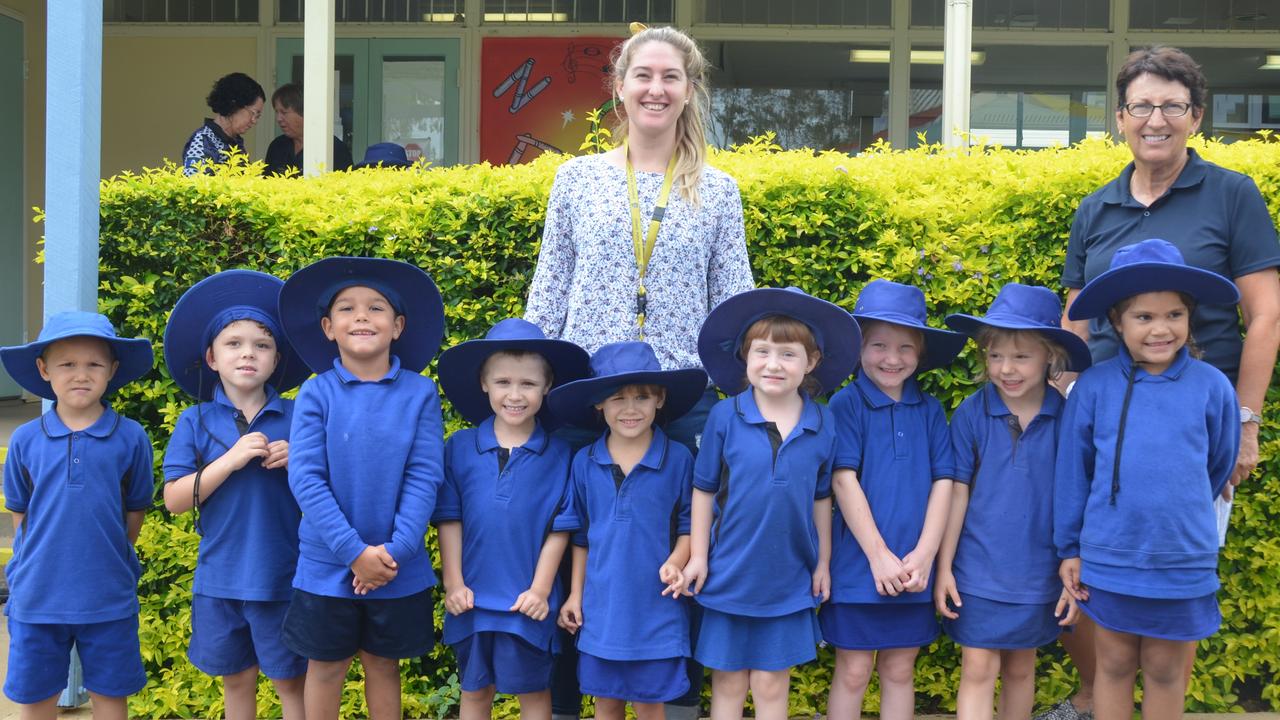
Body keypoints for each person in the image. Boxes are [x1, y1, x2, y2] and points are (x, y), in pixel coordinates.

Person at [526, 26, 752, 716]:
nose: (657, 89)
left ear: (689, 91)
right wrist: (529, 388)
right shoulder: (577, 180)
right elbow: (549, 288)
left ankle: (673, 704)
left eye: (671, 78)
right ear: (620, 88)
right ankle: (577, 701)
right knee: (580, 557)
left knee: (677, 561)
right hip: (588, 398)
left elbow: (735, 304)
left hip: (682, 404)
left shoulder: (717, 190)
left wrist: (741, 403)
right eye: (644, 76)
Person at [1052, 45, 1280, 720]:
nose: (1157, 118)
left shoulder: (1231, 195)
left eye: (1173, 106)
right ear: (1120, 118)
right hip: (1103, 418)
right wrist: (1072, 395)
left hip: (1195, 422)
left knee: (1173, 600)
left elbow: (1265, 315)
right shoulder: (1096, 208)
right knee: (1091, 580)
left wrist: (1245, 420)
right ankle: (1097, 695)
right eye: (1143, 105)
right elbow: (1074, 315)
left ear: (1196, 116)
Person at [1055, 238, 1240, 720]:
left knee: (1164, 669)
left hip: (1182, 557)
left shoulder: (1212, 386)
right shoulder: (1093, 387)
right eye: (1144, 317)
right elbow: (1074, 473)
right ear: (1116, 321)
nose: (1161, 329)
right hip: (1111, 555)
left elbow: (1218, 462)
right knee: (1113, 663)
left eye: (1174, 315)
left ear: (1189, 317)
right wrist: (1070, 549)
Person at [276, 256, 446, 720]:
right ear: (329, 328)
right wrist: (354, 553)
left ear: (398, 325)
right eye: (347, 309)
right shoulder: (316, 392)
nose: (363, 317)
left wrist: (397, 550)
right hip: (327, 563)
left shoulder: (420, 393)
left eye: (376, 308)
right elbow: (306, 478)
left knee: (383, 665)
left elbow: (424, 473)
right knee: (325, 667)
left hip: (397, 563)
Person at [683, 287, 859, 720]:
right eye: (762, 351)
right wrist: (699, 558)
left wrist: (822, 564)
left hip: (788, 578)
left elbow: (822, 499)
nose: (774, 364)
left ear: (812, 361)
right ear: (745, 356)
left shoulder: (823, 422)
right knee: (727, 681)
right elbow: (704, 491)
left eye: (788, 354)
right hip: (728, 574)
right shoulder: (726, 416)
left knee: (770, 683)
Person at [160, 270, 312, 720]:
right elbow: (174, 499)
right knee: (237, 680)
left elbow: (331, 493)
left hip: (283, 576)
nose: (248, 353)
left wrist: (301, 461)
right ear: (211, 358)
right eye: (234, 343)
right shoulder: (195, 421)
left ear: (276, 359)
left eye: (262, 345)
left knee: (290, 682)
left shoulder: (300, 417)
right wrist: (229, 459)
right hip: (219, 578)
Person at [935, 284, 1092, 720]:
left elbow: (1076, 495)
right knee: (978, 667)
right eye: (995, 355)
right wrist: (944, 567)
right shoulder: (971, 413)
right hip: (978, 572)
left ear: (1050, 358)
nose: (1007, 368)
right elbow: (957, 493)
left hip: (1039, 571)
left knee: (1022, 668)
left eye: (1021, 356)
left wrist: (1073, 568)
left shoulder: (1067, 417)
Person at [0, 311, 155, 720]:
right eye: (67, 364)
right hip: (38, 598)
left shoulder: (131, 437)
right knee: (34, 699)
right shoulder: (26, 439)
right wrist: (26, 570)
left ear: (112, 370)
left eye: (93, 364)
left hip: (108, 598)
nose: (80, 374)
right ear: (44, 369)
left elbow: (135, 509)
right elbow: (21, 515)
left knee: (110, 694)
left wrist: (117, 558)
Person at [432, 318, 589, 719]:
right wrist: (453, 583)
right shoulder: (460, 447)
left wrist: (539, 590)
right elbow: (450, 519)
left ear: (547, 386)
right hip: (471, 600)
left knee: (535, 693)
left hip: (528, 603)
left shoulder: (560, 455)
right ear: (484, 383)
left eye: (528, 384)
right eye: (502, 382)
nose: (515, 395)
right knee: (475, 691)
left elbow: (561, 528)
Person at [822, 280, 964, 720]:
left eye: (905, 347)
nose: (892, 358)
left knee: (901, 669)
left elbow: (946, 481)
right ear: (859, 346)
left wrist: (923, 556)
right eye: (878, 344)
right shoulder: (846, 404)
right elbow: (844, 481)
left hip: (913, 572)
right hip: (860, 568)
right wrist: (879, 556)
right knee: (853, 671)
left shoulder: (930, 410)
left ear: (920, 354)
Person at [548, 340, 706, 719]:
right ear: (598, 405)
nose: (631, 408)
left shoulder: (679, 459)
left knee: (651, 704)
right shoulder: (585, 462)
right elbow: (581, 536)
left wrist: (677, 561)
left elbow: (690, 524)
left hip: (658, 608)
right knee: (606, 702)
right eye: (617, 398)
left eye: (642, 396)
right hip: (602, 610)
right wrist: (575, 596)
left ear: (660, 399)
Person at [183, 72, 265, 176]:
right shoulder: (204, 139)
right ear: (234, 104)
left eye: (258, 116)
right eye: (253, 113)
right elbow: (193, 184)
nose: (254, 121)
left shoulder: (234, 142)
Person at [263, 83, 354, 175]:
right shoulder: (277, 146)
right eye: (277, 112)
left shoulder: (334, 148)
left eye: (284, 112)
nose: (278, 119)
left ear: (304, 112)